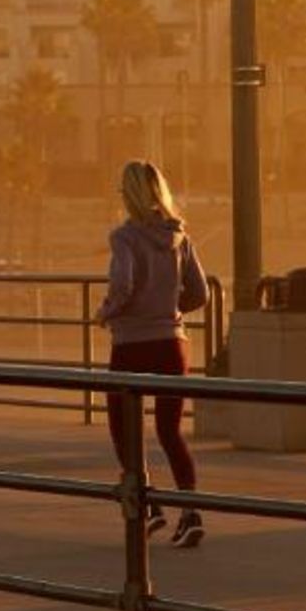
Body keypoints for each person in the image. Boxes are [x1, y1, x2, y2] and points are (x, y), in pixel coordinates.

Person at [96, 160, 209, 549]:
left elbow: (122, 285)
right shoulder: (179, 236)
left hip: (132, 345)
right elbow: (200, 293)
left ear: (129, 195)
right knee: (169, 431)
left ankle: (148, 508)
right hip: (172, 344)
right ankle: (191, 513)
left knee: (122, 428)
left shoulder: (124, 238)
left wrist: (106, 312)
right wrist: (168, 310)